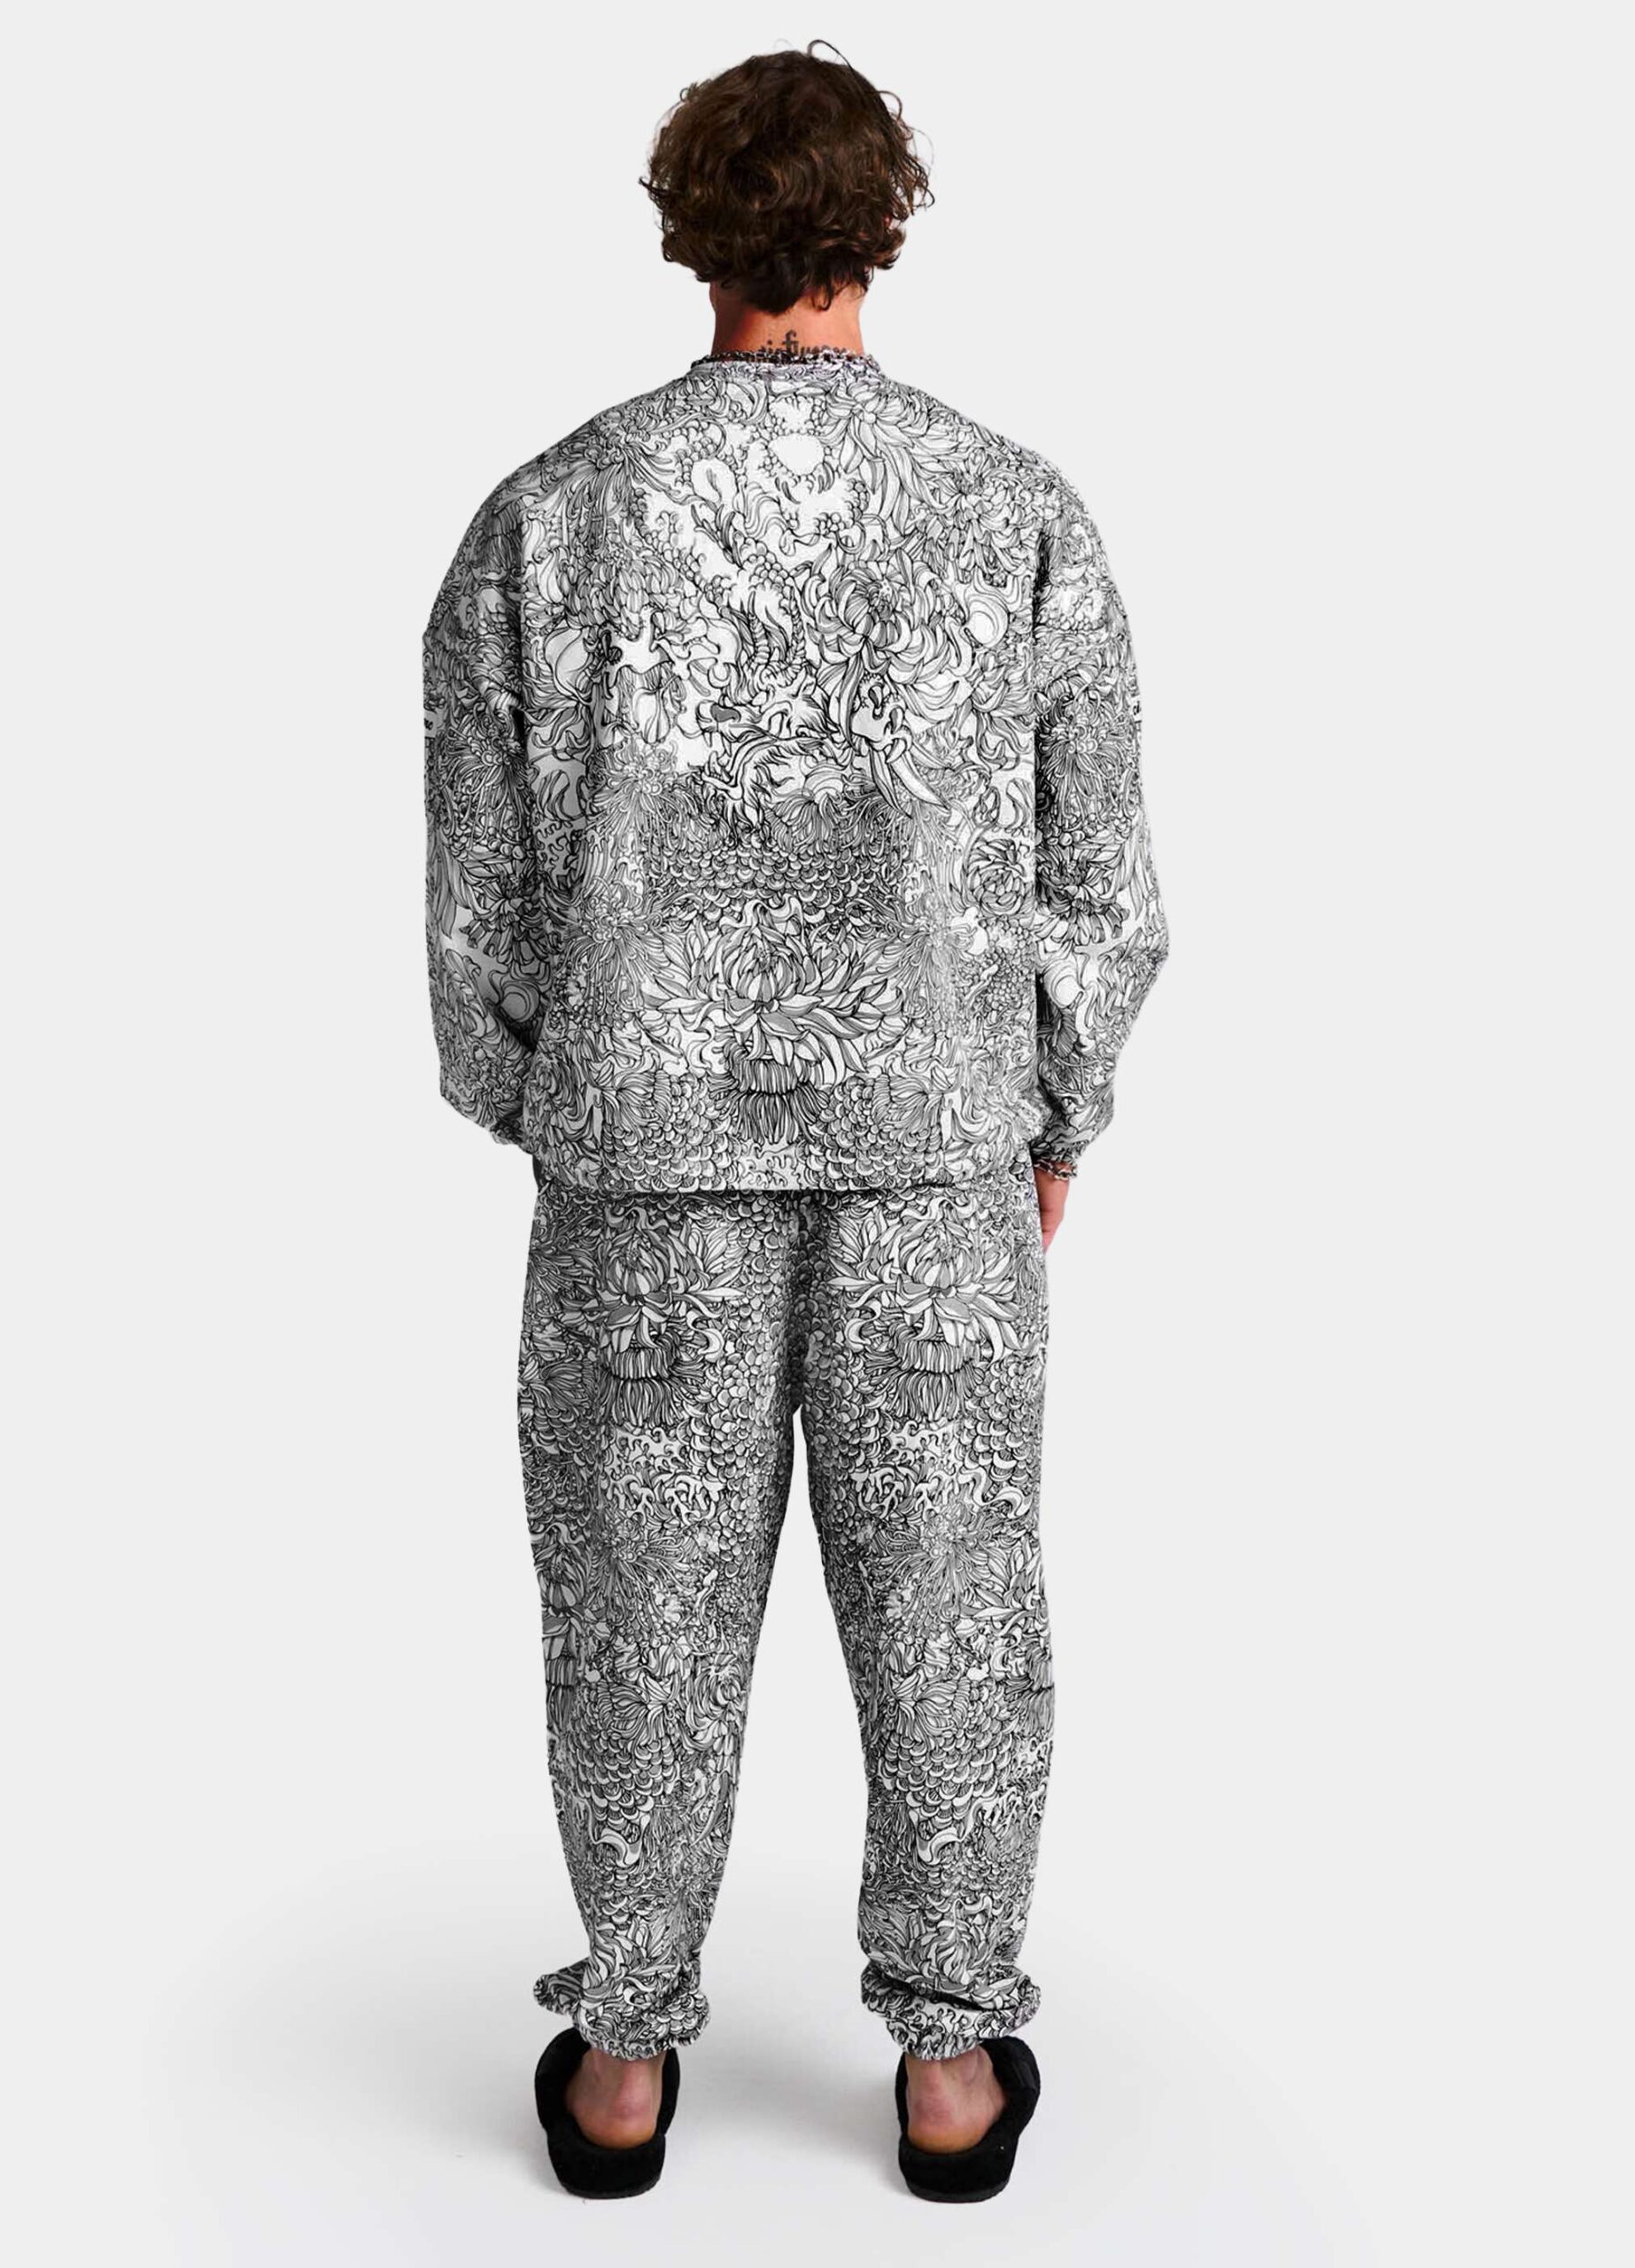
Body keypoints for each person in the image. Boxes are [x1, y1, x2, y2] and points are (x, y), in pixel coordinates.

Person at [422, 41, 1168, 2202]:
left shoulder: (547, 517)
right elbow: (1099, 875)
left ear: (687, 233)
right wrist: (1053, 1111)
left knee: (633, 1607)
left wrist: (560, 1096)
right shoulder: (1016, 509)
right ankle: (948, 2067)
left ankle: (623, 2059)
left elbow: (479, 899)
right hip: (936, 1158)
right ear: (883, 226)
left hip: (643, 1160)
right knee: (958, 1609)